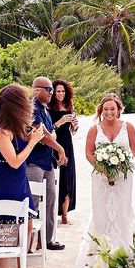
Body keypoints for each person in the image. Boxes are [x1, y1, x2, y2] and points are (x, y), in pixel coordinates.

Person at [76, 93, 135, 268]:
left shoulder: (129, 127)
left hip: (123, 179)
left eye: (112, 109)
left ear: (119, 110)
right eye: (106, 109)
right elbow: (89, 153)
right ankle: (101, 250)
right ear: (101, 110)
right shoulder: (94, 129)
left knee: (122, 210)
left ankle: (124, 249)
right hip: (100, 179)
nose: (109, 112)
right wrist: (103, 169)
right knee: (100, 212)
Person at [0, 84, 44, 268]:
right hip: (7, 183)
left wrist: (31, 136)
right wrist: (33, 142)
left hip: (20, 181)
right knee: (6, 231)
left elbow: (19, 148)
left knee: (27, 225)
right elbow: (14, 161)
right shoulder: (1, 131)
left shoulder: (15, 126)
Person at [26, 77, 68, 251]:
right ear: (37, 89)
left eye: (52, 90)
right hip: (33, 162)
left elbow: (50, 132)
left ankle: (46, 240)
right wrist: (60, 149)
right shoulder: (31, 107)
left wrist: (53, 140)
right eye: (49, 89)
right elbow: (41, 134)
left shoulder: (45, 108)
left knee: (51, 200)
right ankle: (28, 243)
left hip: (47, 161)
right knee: (33, 202)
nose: (52, 93)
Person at [48, 79, 78, 225]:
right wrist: (60, 121)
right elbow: (49, 129)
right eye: (58, 91)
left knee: (68, 178)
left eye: (63, 91)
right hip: (53, 143)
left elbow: (72, 131)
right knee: (54, 178)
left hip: (67, 144)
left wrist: (74, 126)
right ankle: (53, 212)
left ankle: (65, 215)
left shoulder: (69, 105)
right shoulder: (48, 108)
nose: (60, 94)